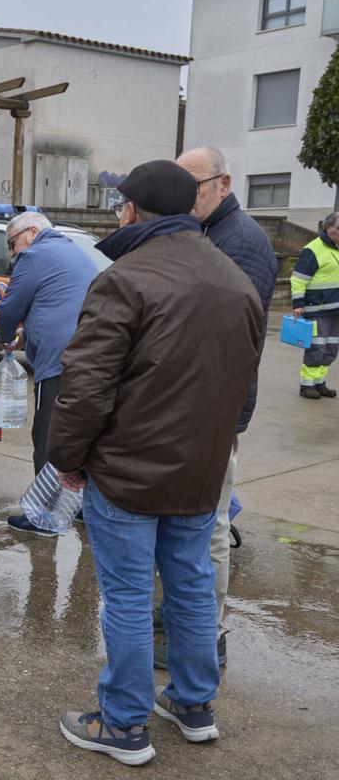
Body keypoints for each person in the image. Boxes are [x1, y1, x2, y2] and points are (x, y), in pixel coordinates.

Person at [48, 160, 263, 766]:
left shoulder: (124, 279)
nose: (118, 213)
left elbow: (86, 385)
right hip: (200, 468)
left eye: (121, 204)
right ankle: (194, 705)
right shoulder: (235, 281)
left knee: (127, 593)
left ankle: (123, 724)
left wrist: (67, 457)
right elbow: (240, 381)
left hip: (129, 472)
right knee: (191, 582)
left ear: (136, 210)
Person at [166, 146, 279, 669]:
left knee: (208, 527)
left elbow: (229, 335)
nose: (187, 198)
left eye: (196, 187)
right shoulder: (210, 232)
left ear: (224, 183)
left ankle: (209, 635)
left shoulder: (244, 244)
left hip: (216, 407)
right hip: (198, 403)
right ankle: (184, 621)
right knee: (191, 523)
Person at [0, 211, 99, 537]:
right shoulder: (73, 251)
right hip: (94, 358)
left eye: (13, 244)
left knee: (48, 435)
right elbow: (57, 301)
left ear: (33, 231)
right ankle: (85, 509)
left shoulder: (35, 254)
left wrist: (4, 337)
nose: (13, 253)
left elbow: (11, 308)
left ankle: (43, 516)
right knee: (86, 436)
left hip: (60, 362)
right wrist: (31, 332)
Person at [290, 211, 339, 399]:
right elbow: (299, 279)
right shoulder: (313, 250)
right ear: (328, 228)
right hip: (317, 309)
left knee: (331, 349)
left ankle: (320, 383)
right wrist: (298, 304)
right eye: (338, 229)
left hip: (335, 310)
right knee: (316, 348)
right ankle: (306, 385)